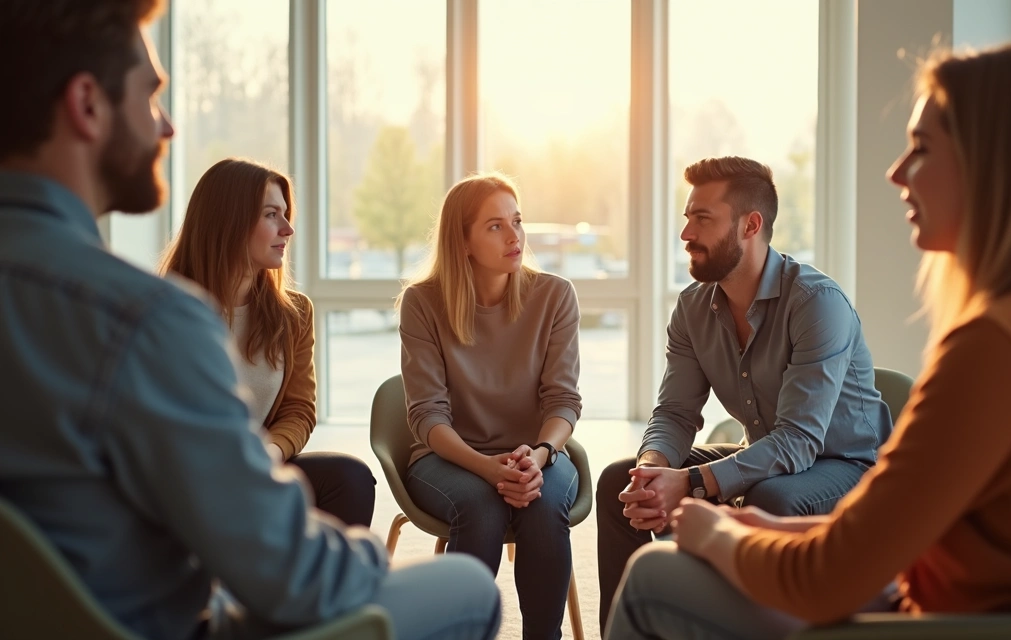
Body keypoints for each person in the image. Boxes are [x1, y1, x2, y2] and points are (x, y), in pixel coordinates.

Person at [604, 44, 1011, 640]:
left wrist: (718, 531)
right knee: (645, 488)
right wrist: (687, 487)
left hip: (936, 620)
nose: (895, 173)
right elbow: (907, 537)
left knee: (659, 573)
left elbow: (828, 576)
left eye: (922, 148)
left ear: (993, 164)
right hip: (963, 602)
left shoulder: (995, 348)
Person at [0, 2, 500, 639]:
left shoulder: (245, 314)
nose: (168, 127)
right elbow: (292, 574)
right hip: (158, 624)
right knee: (465, 588)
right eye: (151, 96)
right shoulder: (146, 321)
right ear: (87, 104)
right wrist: (371, 561)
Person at [596, 155, 892, 630]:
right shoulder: (693, 309)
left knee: (771, 498)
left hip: (844, 467)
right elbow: (674, 412)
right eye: (688, 216)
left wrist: (690, 483)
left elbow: (798, 441)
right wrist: (653, 471)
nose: (686, 233)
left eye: (703, 218)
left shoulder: (817, 304)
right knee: (619, 483)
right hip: (767, 454)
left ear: (750, 225)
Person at [397, 172, 582, 640]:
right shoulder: (422, 303)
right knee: (481, 507)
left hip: (537, 453)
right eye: (495, 225)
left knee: (541, 507)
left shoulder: (555, 296)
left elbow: (563, 401)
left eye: (517, 221)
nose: (514, 235)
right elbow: (427, 416)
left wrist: (537, 456)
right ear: (462, 242)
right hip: (449, 457)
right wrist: (487, 468)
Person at [160, 157, 377, 527]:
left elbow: (298, 409)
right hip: (184, 478)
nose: (288, 229)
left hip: (257, 468)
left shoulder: (294, 315)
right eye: (271, 215)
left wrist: (268, 453)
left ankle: (321, 586)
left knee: (350, 479)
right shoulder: (164, 308)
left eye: (286, 213)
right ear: (229, 220)